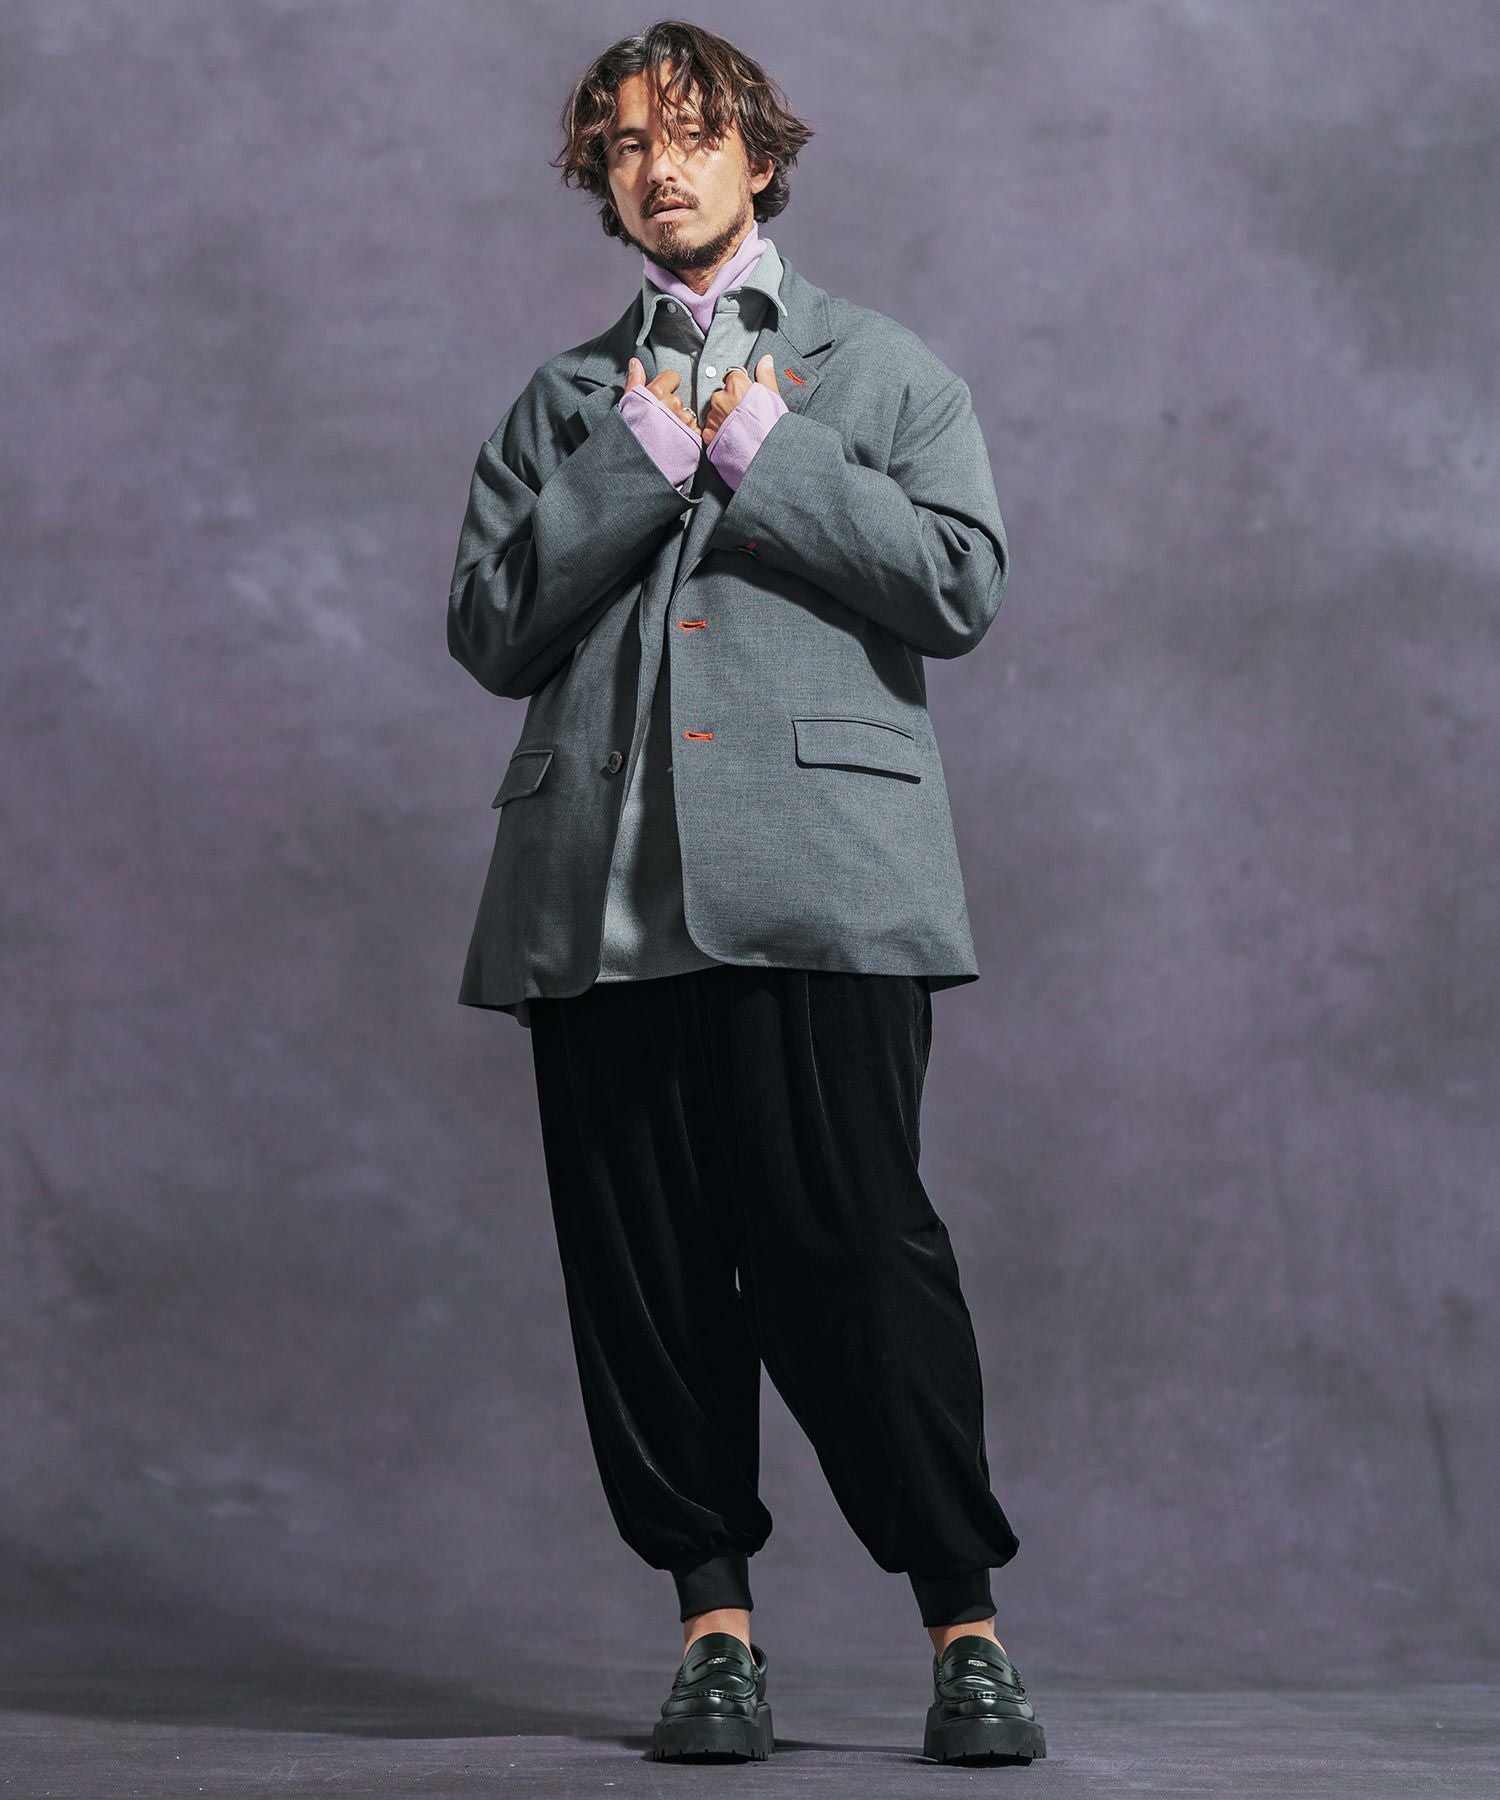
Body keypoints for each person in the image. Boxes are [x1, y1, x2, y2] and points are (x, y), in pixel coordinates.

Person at [446, 19, 1046, 1768]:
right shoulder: (564, 402)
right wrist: (636, 460)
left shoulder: (886, 371)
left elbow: (958, 587)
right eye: (630, 143)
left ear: (760, 158)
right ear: (603, 175)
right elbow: (489, 629)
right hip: (597, 906)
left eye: (695, 134)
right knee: (643, 1282)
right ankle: (715, 1633)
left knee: (854, 1254)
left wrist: (772, 457)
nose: (663, 167)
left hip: (825, 892)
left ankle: (967, 1633)